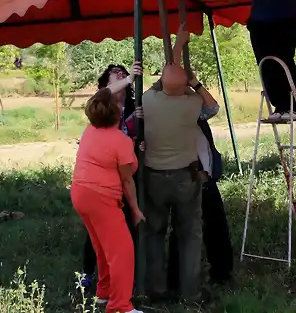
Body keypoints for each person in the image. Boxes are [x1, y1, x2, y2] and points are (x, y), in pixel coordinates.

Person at [140, 29, 218, 304]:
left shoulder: (148, 101)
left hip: (153, 178)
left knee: (154, 233)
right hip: (185, 178)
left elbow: (167, 77)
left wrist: (177, 44)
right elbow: (214, 107)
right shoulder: (192, 104)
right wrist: (194, 83)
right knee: (189, 235)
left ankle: (156, 288)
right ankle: (190, 292)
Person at [71, 86, 145, 313]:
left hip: (80, 193)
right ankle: (121, 306)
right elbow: (127, 181)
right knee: (122, 252)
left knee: (102, 247)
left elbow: (102, 93)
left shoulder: (89, 131)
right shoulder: (120, 141)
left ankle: (104, 293)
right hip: (101, 198)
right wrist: (135, 209)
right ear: (117, 113)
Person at [80, 62, 142, 290]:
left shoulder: (136, 106)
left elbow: (140, 139)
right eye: (114, 76)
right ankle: (86, 273)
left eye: (123, 73)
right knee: (96, 231)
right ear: (106, 85)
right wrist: (127, 79)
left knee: (127, 225)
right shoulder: (101, 105)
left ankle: (127, 277)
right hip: (104, 175)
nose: (121, 76)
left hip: (127, 171)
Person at [226, 0, 296, 122]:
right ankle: (278, 106)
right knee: (266, 64)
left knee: (283, 62)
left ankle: (293, 107)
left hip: (284, 20)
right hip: (259, 22)